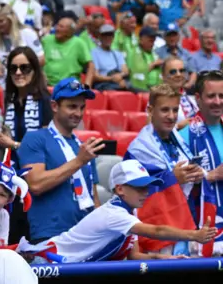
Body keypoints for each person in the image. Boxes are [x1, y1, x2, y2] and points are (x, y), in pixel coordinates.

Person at [18, 159, 215, 262]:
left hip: (61, 264)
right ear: (120, 189)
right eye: (139, 187)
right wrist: (195, 235)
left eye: (147, 187)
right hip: (44, 260)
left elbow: (135, 256)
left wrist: (167, 258)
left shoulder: (128, 212)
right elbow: (156, 231)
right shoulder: (114, 214)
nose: (145, 193)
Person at [0, 47, 51, 243]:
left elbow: (48, 147)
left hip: (33, 179)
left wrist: (12, 144)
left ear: (35, 70)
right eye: (14, 68)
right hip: (8, 179)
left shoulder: (45, 101)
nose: (19, 73)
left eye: (25, 68)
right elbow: (9, 136)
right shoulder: (11, 100)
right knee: (7, 235)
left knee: (26, 238)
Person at [18, 78, 102, 243]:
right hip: (50, 238)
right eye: (72, 106)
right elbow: (35, 184)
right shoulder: (35, 139)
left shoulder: (83, 148)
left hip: (85, 237)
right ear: (55, 106)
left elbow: (94, 199)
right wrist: (79, 161)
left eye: (82, 107)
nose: (78, 113)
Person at [125, 84, 202, 256]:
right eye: (165, 110)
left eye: (175, 110)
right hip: (157, 230)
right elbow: (130, 192)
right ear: (151, 110)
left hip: (184, 221)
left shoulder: (178, 140)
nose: (171, 116)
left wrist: (196, 176)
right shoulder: (139, 148)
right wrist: (172, 178)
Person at [179, 70, 223, 254]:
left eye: (222, 96)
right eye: (211, 96)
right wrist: (211, 175)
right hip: (201, 227)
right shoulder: (184, 135)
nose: (218, 101)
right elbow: (175, 183)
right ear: (198, 98)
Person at [42, 16, 95, 86]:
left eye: (61, 27)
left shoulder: (78, 43)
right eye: (57, 25)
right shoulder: (46, 40)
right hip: (48, 85)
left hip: (71, 86)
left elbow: (90, 65)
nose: (57, 29)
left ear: (70, 31)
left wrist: (87, 85)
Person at [155, 23, 197, 90]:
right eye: (169, 35)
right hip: (165, 88)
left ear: (178, 36)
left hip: (184, 87)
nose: (172, 38)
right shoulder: (157, 52)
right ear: (165, 37)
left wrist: (188, 84)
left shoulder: (185, 53)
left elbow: (193, 72)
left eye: (174, 35)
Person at [91, 23, 131, 91]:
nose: (108, 38)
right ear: (100, 37)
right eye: (105, 35)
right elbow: (95, 76)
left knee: (135, 89)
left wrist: (119, 77)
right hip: (103, 84)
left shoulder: (117, 53)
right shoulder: (94, 53)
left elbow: (125, 71)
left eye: (110, 35)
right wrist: (112, 78)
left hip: (118, 81)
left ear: (113, 37)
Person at [160, 56, 198, 123]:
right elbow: (152, 130)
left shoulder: (192, 99)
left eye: (181, 71)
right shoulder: (157, 101)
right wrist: (178, 126)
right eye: (173, 72)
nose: (178, 74)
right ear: (163, 76)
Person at [126, 26, 163, 91]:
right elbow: (137, 71)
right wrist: (154, 64)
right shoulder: (133, 52)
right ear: (141, 40)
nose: (153, 44)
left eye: (154, 41)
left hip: (157, 88)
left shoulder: (153, 53)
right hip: (141, 88)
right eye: (150, 41)